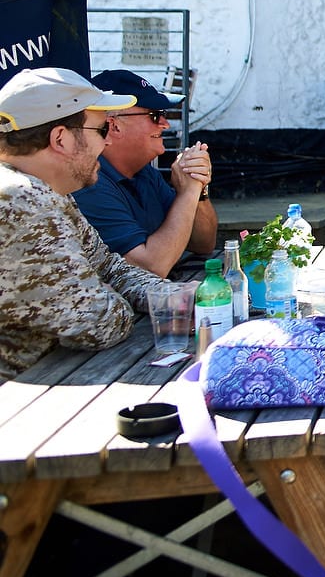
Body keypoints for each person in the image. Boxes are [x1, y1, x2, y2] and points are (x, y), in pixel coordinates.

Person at [0, 67, 160, 380]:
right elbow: (98, 322)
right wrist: (111, 295)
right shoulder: (22, 200)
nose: (107, 144)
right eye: (101, 130)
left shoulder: (47, 189)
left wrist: (173, 296)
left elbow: (109, 268)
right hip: (19, 407)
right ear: (60, 138)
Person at [72, 69, 216, 277]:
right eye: (155, 115)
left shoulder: (144, 172)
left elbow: (203, 243)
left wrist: (197, 188)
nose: (165, 124)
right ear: (113, 126)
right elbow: (152, 268)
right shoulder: (89, 183)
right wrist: (187, 194)